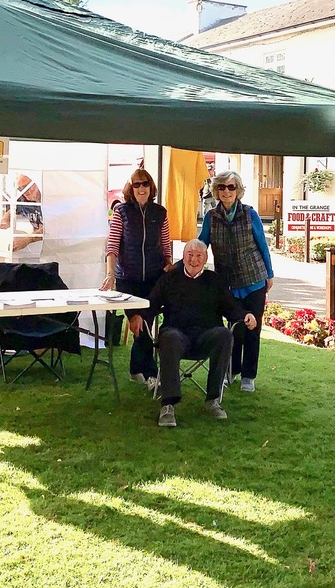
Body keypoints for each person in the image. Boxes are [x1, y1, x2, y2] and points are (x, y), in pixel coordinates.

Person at [129, 240, 256, 427]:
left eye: (198, 255)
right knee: (169, 337)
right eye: (190, 254)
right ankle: (168, 405)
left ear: (205, 259)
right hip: (177, 334)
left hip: (207, 335)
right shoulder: (169, 279)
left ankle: (213, 399)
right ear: (183, 256)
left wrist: (246, 315)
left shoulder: (215, 280)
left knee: (224, 335)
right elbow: (152, 303)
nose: (194, 259)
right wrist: (139, 315)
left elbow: (231, 307)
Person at [199, 170, 274, 393]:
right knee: (232, 330)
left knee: (252, 329)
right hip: (228, 283)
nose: (226, 192)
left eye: (231, 187)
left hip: (254, 280)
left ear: (238, 190)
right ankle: (231, 371)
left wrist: (269, 274)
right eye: (222, 187)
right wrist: (184, 264)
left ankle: (248, 376)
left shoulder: (250, 214)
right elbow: (202, 245)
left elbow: (262, 245)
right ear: (216, 191)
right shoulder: (211, 217)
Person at [101, 169, 173, 386]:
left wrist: (169, 264)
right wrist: (110, 274)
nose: (141, 188)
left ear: (151, 188)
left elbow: (166, 242)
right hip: (127, 280)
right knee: (137, 323)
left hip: (154, 278)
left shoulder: (160, 212)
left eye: (145, 184)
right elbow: (112, 246)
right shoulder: (121, 212)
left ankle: (137, 370)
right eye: (136, 185)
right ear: (131, 189)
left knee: (145, 323)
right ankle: (151, 374)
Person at [0, 173, 44, 251]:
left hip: (55, 246)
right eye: (21, 189)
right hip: (37, 247)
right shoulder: (24, 200)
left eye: (27, 187)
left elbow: (51, 228)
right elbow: (11, 212)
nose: (25, 192)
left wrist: (27, 240)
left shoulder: (50, 200)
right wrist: (5, 222)